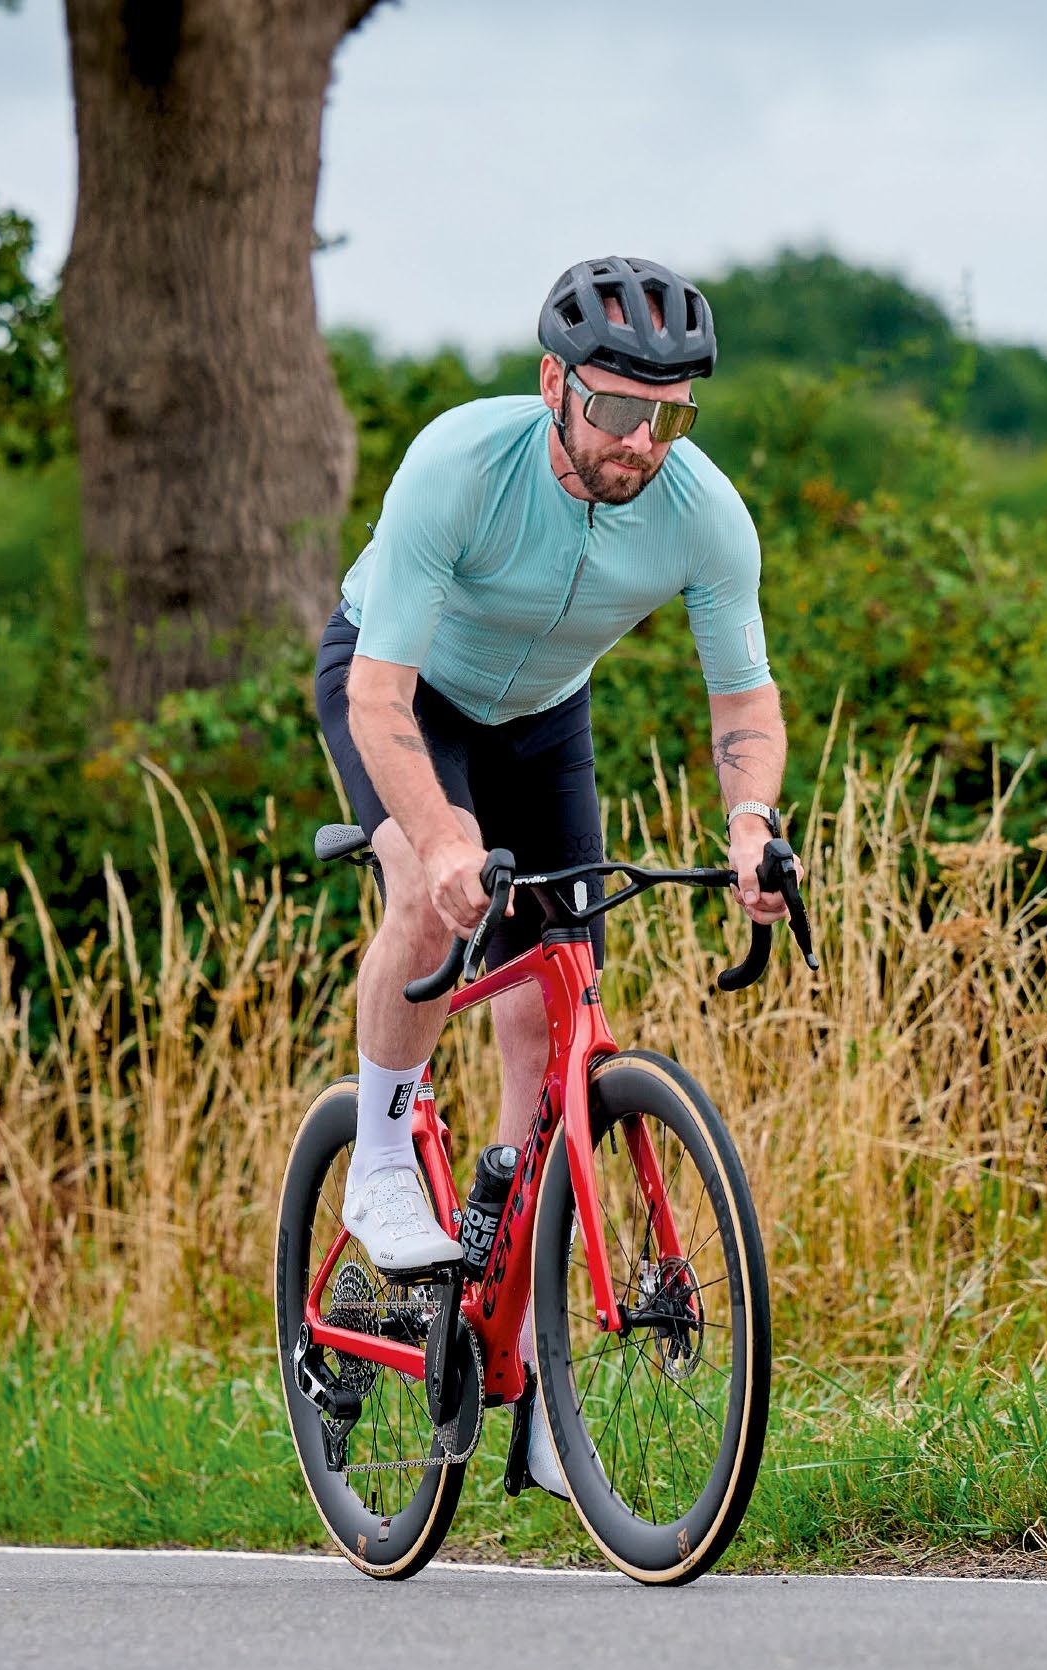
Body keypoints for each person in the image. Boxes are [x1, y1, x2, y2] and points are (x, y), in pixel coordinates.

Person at [312, 255, 795, 1495]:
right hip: (402, 691)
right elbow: (378, 696)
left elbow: (741, 693)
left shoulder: (702, 509)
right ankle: (375, 1159)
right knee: (426, 891)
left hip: (541, 718)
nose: (641, 441)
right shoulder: (463, 466)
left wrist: (752, 824)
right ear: (553, 386)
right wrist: (447, 837)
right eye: (617, 408)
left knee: (556, 1010)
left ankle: (528, 1375)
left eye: (669, 414)